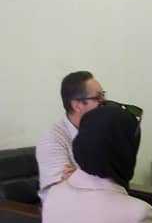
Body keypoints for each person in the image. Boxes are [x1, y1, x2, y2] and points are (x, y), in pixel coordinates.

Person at [36, 71, 106, 199]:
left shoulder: (100, 130)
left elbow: (115, 177)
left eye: (104, 95)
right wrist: (92, 179)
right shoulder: (52, 138)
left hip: (102, 200)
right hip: (64, 208)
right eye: (98, 97)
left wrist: (79, 177)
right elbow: (60, 191)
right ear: (77, 105)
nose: (105, 102)